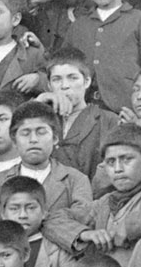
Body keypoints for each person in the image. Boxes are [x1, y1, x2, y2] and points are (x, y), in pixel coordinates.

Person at [0, 102, 94, 250]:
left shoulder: (75, 179)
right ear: (14, 140)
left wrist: (38, 221)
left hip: (59, 257)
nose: (33, 139)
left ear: (55, 138)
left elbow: (83, 216)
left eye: (41, 132)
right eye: (25, 133)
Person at [56, 128, 141, 267]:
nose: (118, 169)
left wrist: (129, 228)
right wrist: (84, 234)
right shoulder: (105, 203)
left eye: (127, 159)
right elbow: (53, 219)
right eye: (111, 162)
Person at [46, 51, 121, 184]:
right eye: (57, 79)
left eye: (73, 78)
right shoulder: (43, 118)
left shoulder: (108, 120)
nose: (65, 86)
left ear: (86, 82)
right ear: (49, 85)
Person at [0, 178, 64, 267]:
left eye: (31, 208)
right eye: (14, 209)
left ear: (44, 212)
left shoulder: (57, 250)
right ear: (3, 214)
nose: (23, 215)